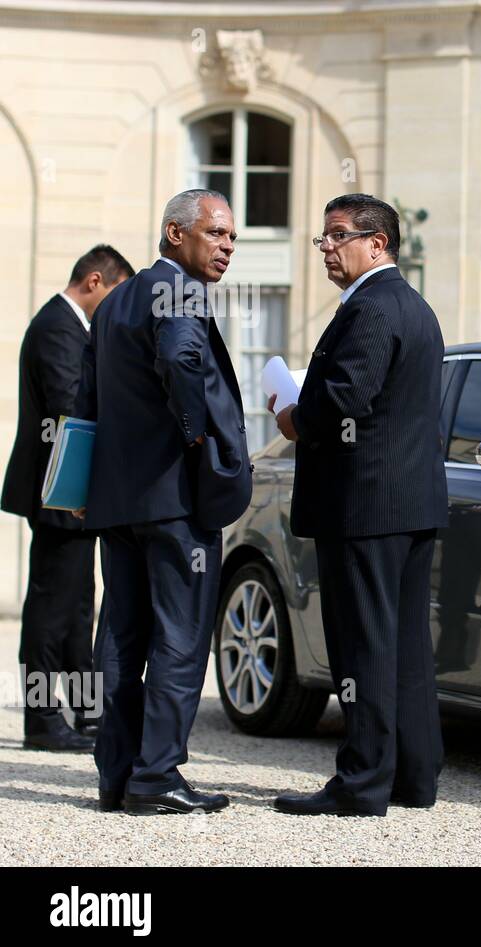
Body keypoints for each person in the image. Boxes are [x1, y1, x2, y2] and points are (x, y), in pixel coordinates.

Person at [270, 194, 448, 817]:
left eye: (337, 235)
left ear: (377, 244)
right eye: (323, 237)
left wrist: (294, 416)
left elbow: (345, 399)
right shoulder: (414, 307)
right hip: (408, 504)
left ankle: (362, 783)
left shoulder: (371, 306)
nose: (326, 247)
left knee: (363, 645)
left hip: (366, 506)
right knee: (402, 645)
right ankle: (413, 778)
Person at [75, 188, 251, 815]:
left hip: (118, 503)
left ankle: (117, 776)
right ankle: (158, 778)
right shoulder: (177, 291)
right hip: (174, 500)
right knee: (180, 637)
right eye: (218, 234)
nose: (228, 247)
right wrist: (197, 434)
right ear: (176, 234)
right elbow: (179, 356)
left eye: (233, 238)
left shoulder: (115, 300)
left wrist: (80, 487)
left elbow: (84, 401)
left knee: (121, 638)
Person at [2, 245, 134, 751]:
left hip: (71, 492)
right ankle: (41, 720)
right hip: (58, 491)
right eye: (115, 295)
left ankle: (85, 712)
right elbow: (67, 402)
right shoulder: (58, 325)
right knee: (51, 609)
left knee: (79, 607)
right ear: (95, 281)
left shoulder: (70, 325)